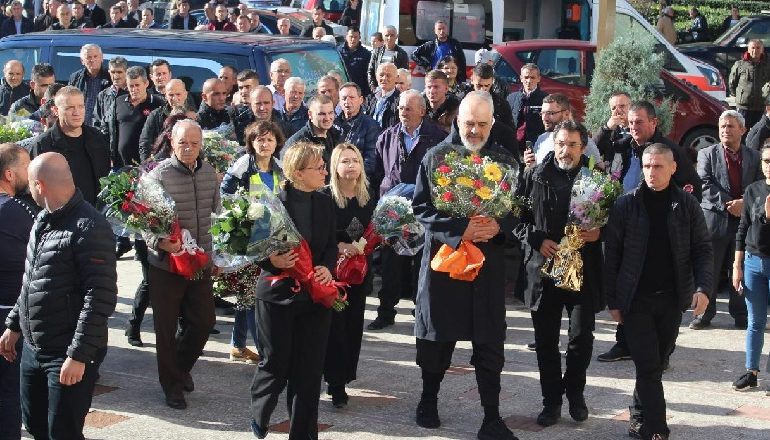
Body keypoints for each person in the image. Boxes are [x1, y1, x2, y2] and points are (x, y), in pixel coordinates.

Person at [411, 91, 519, 439]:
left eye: (482, 124)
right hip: (445, 265)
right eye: (469, 123)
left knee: (489, 344)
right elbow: (422, 209)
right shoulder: (436, 157)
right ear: (458, 120)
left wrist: (498, 226)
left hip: (485, 269)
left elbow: (517, 210)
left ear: (492, 124)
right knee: (437, 341)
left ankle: (492, 417)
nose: (475, 131)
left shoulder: (504, 161)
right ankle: (428, 400)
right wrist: (461, 230)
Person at [0, 151, 117, 439]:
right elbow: (31, 281)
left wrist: (78, 355)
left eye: (29, 182)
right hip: (32, 348)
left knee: (62, 432)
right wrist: (14, 325)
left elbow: (100, 297)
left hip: (66, 354)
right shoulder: (42, 219)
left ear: (39, 185)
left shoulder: (90, 227)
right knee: (37, 425)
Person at [604, 143, 712, 440]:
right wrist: (612, 300)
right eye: (648, 166)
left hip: (671, 299)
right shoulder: (626, 204)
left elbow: (702, 249)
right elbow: (611, 254)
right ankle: (658, 429)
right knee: (648, 365)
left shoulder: (686, 205)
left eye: (659, 166)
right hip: (635, 299)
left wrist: (703, 288)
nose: (652, 172)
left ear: (673, 168)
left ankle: (638, 416)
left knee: (657, 363)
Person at [515, 119, 603, 427]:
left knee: (581, 338)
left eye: (572, 145)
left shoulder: (596, 179)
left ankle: (575, 393)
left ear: (583, 147)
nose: (565, 151)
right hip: (544, 271)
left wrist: (598, 233)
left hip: (582, 270)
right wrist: (537, 239)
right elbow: (515, 218)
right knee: (546, 340)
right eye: (561, 144)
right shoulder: (533, 176)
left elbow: (610, 222)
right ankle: (551, 401)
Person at [249, 141, 336, 439]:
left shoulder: (325, 202)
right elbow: (255, 248)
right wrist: (272, 260)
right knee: (276, 365)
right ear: (298, 173)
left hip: (314, 296)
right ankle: (261, 410)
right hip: (278, 296)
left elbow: (330, 246)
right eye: (319, 167)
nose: (325, 170)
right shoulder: (272, 203)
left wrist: (327, 266)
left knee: (309, 374)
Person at [141, 119, 219, 409]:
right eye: (183, 143)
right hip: (166, 265)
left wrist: (218, 256)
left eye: (194, 144)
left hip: (199, 261)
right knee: (166, 327)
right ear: (172, 142)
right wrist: (159, 242)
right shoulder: (157, 176)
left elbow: (217, 216)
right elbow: (141, 221)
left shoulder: (210, 174)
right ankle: (171, 385)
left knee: (203, 322)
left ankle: (180, 367)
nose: (189, 149)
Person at [368, 89, 446, 330]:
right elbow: (379, 172)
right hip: (393, 213)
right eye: (401, 108)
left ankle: (420, 310)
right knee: (391, 264)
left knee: (421, 263)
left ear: (422, 111)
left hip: (423, 210)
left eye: (408, 108)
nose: (403, 112)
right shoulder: (387, 136)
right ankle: (385, 312)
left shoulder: (438, 138)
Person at [220, 121, 284, 364]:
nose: (265, 144)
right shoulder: (244, 164)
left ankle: (237, 345)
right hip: (248, 240)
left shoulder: (279, 168)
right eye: (260, 140)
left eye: (269, 139)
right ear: (252, 143)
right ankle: (264, 352)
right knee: (250, 293)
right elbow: (225, 195)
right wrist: (240, 214)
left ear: (277, 142)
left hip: (272, 238)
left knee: (248, 295)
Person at [691, 111, 760, 330]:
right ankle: (704, 314)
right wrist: (731, 204)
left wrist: (744, 204)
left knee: (740, 268)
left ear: (742, 130)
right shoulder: (706, 154)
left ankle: (741, 315)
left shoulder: (754, 156)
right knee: (709, 269)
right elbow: (704, 183)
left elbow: (759, 184)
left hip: (744, 223)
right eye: (722, 126)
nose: (725, 130)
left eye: (730, 126)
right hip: (715, 220)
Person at [322, 142, 374, 408]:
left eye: (355, 160)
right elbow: (319, 234)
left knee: (353, 326)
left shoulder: (367, 195)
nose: (351, 165)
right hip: (333, 273)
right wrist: (340, 246)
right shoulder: (326, 197)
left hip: (359, 272)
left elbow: (375, 228)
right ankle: (335, 382)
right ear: (335, 166)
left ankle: (345, 376)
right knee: (336, 327)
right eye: (345, 161)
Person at [0, 144, 36, 440]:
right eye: (27, 166)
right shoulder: (19, 214)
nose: (32, 171)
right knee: (9, 393)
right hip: (8, 318)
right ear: (10, 174)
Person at [27, 86, 110, 206]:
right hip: (62, 218)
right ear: (55, 110)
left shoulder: (97, 138)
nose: (77, 112)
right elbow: (35, 189)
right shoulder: (43, 145)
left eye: (81, 106)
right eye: (69, 108)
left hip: (97, 214)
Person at [731, 139, 770, 393]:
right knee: (755, 321)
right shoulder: (753, 190)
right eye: (767, 161)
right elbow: (743, 228)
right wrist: (737, 265)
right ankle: (751, 371)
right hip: (753, 262)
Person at [111, 66, 165, 168]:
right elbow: (110, 129)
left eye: (137, 85)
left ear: (146, 83)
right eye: (131, 86)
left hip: (148, 164)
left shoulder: (159, 104)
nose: (134, 89)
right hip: (121, 165)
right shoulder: (118, 102)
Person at [529, 93, 602, 166]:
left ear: (566, 114)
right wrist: (530, 165)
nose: (544, 118)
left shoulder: (580, 140)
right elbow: (535, 171)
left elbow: (599, 170)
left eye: (550, 113)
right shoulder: (541, 139)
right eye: (542, 113)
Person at [139, 79, 193, 161]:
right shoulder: (156, 115)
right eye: (171, 95)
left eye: (178, 94)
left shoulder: (193, 116)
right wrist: (147, 165)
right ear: (165, 96)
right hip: (160, 163)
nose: (175, 98)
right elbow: (145, 142)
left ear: (185, 94)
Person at [335, 82, 379, 177]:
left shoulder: (371, 125)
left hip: (359, 179)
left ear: (361, 100)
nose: (347, 101)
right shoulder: (333, 124)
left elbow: (371, 161)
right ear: (339, 102)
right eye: (344, 98)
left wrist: (350, 173)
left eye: (352, 97)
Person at [285, 94, 340, 163]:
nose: (327, 118)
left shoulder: (337, 136)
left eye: (330, 113)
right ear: (310, 114)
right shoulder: (297, 143)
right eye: (322, 114)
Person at [729, 40, 770, 132]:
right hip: (744, 107)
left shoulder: (767, 65)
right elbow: (732, 83)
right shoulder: (739, 64)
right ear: (748, 49)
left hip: (761, 106)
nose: (755, 50)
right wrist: (739, 96)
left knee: (758, 134)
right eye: (753, 48)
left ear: (762, 50)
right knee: (742, 132)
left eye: (758, 48)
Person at [68, 44, 112, 126]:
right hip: (80, 126)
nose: (92, 60)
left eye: (95, 56)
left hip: (102, 127)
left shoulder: (110, 77)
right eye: (89, 57)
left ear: (102, 58)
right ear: (82, 61)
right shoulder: (75, 78)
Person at [508, 63, 546, 146]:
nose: (529, 81)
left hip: (537, 145)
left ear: (538, 79)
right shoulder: (511, 98)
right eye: (526, 77)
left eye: (532, 77)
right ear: (521, 78)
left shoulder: (546, 99)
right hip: (515, 145)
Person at [593, 91, 631, 166]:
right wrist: (606, 129)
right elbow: (592, 152)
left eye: (622, 106)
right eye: (613, 108)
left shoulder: (639, 129)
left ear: (631, 106)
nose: (617, 111)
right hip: (612, 175)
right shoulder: (608, 132)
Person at [367, 25, 409, 93]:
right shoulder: (376, 52)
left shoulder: (402, 54)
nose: (389, 38)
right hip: (378, 90)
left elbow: (404, 75)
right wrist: (374, 88)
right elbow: (370, 71)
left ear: (396, 36)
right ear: (383, 37)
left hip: (394, 91)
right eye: (387, 35)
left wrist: (397, 91)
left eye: (392, 35)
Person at [365, 62, 400, 129]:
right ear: (376, 76)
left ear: (397, 78)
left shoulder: (401, 101)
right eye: (381, 75)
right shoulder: (370, 99)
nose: (384, 78)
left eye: (388, 75)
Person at [338, 27, 372, 98]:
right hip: (340, 90)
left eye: (356, 37)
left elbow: (368, 75)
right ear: (346, 37)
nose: (353, 39)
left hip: (358, 92)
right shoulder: (338, 52)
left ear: (359, 38)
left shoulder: (366, 54)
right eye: (351, 37)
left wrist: (366, 95)